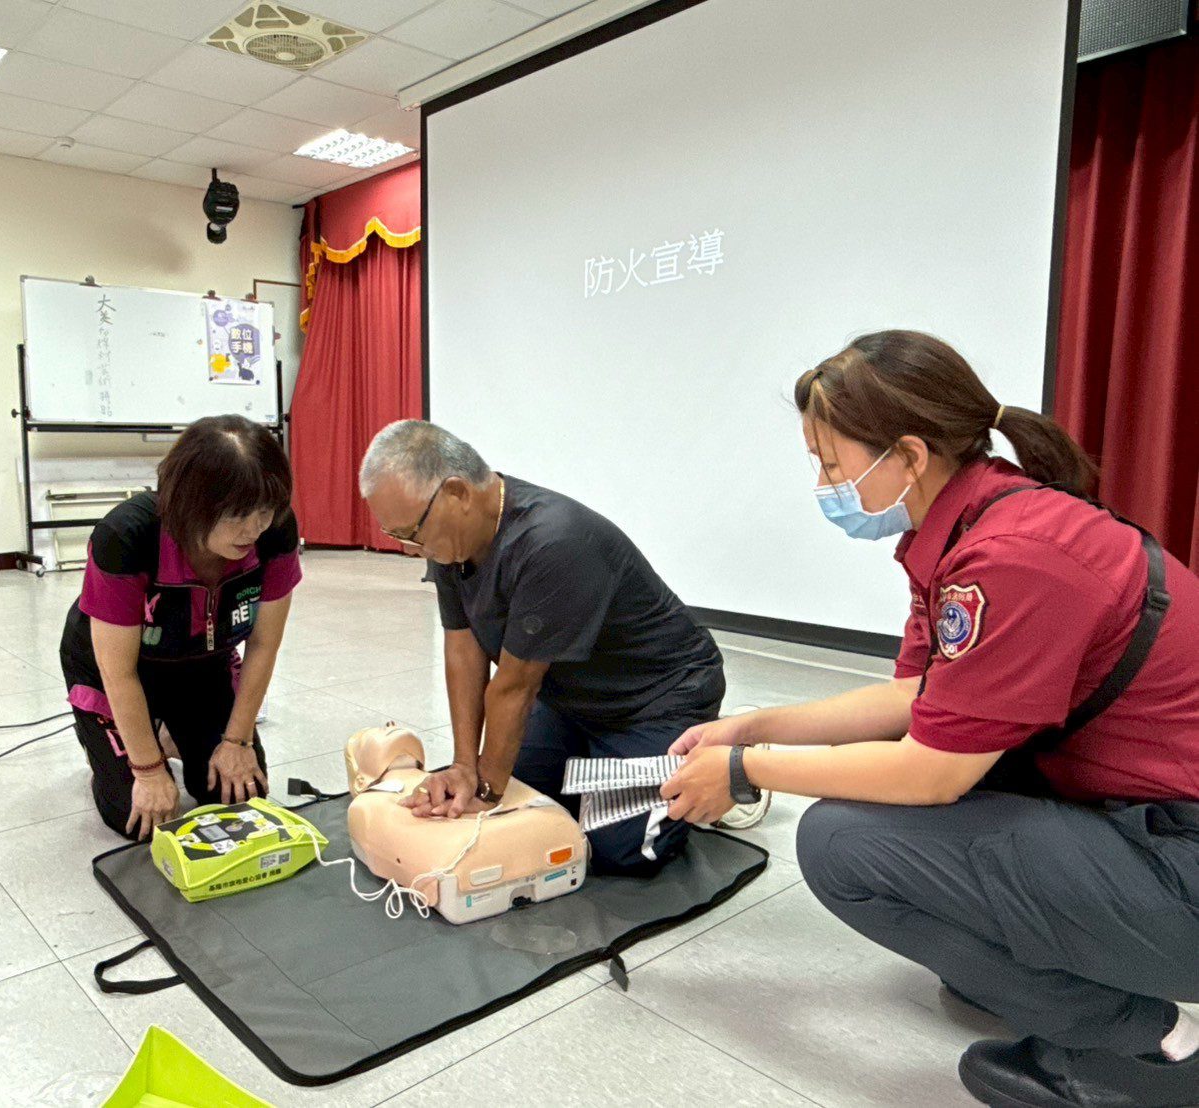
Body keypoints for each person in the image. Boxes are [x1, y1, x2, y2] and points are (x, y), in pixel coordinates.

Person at [660, 331, 1199, 1107]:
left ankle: (1146, 1052)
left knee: (843, 844)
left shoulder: (1014, 555)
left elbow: (930, 769)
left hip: (1181, 866)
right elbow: (919, 701)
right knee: (916, 800)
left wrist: (744, 772)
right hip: (1149, 822)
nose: (822, 484)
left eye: (831, 463)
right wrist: (748, 726)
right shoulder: (971, 525)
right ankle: (1050, 962)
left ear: (907, 455)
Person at [360, 420, 727, 875]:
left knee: (619, 848)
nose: (410, 549)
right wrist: (463, 765)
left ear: (456, 493)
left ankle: (714, 765)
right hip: (568, 700)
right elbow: (462, 648)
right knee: (530, 801)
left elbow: (514, 688)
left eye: (411, 532)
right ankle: (617, 770)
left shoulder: (553, 541)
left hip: (657, 700)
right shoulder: (451, 543)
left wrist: (487, 790)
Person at [59, 415, 300, 840]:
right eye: (237, 515)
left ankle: (174, 734)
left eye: (265, 510)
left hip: (201, 664)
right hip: (116, 669)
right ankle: (114, 744)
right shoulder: (126, 537)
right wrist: (149, 772)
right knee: (139, 820)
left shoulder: (274, 531)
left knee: (240, 800)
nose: (255, 527)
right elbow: (118, 671)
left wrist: (238, 741)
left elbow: (263, 644)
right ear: (191, 504)